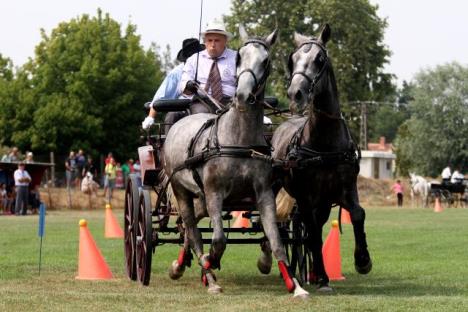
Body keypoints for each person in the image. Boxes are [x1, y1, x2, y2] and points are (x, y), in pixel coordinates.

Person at [142, 38, 205, 130]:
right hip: (186, 108)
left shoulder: (211, 66)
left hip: (209, 105)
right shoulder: (176, 73)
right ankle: (168, 143)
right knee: (172, 115)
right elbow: (161, 97)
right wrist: (150, 117)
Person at [180, 19, 237, 112]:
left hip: (232, 102)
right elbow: (183, 83)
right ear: (204, 42)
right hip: (202, 102)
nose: (213, 45)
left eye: (217, 40)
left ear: (225, 41)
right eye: (210, 40)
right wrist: (188, 85)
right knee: (201, 116)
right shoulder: (193, 60)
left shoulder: (237, 58)